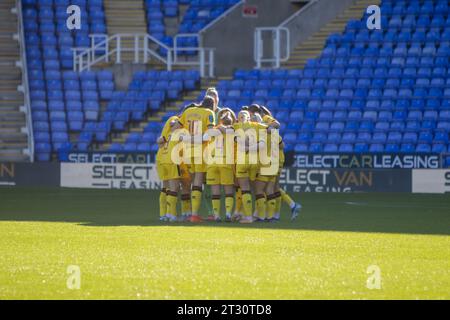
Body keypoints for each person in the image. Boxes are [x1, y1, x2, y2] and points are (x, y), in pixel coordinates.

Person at [179, 96, 216, 222]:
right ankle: (194, 214)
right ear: (213, 105)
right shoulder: (209, 113)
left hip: (188, 152)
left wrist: (188, 139)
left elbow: (178, 129)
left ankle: (191, 212)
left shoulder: (188, 111)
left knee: (193, 180)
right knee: (199, 180)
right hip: (201, 151)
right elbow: (209, 135)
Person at [233, 110, 267, 224]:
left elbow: (237, 141)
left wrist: (247, 147)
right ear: (249, 117)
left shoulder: (236, 126)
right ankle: (259, 215)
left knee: (245, 189)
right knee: (256, 189)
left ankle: (248, 216)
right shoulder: (260, 126)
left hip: (242, 161)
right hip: (255, 161)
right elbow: (262, 144)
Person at [205, 110, 236, 222]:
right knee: (228, 191)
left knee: (215, 191)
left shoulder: (214, 129)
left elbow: (205, 137)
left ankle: (217, 215)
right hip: (225, 162)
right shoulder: (233, 130)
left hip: (212, 163)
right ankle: (228, 214)